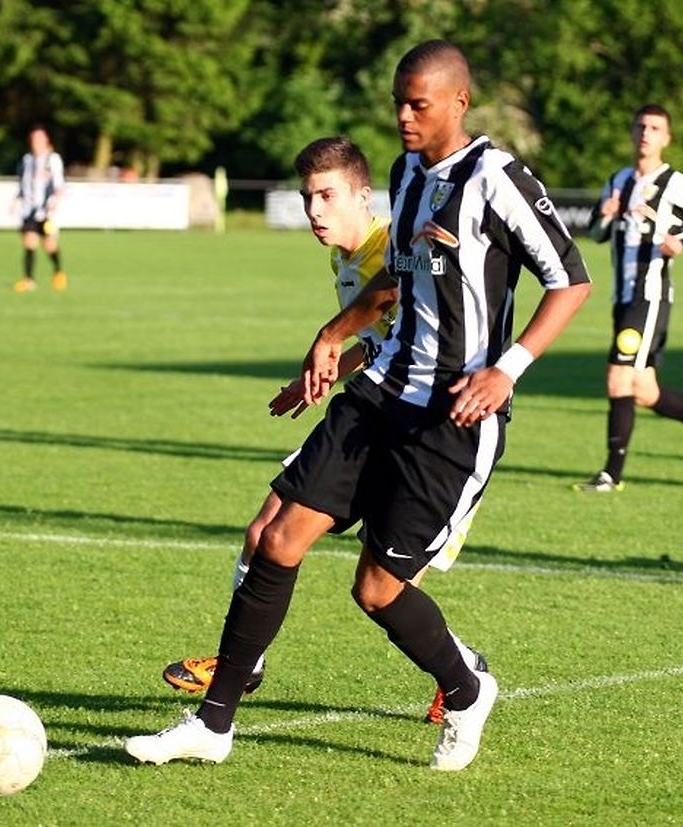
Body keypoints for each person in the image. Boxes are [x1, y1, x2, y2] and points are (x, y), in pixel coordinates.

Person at [125, 39, 591, 772]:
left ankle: (467, 689)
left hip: (452, 416)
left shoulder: (497, 179)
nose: (404, 117)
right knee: (277, 538)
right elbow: (403, 273)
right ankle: (214, 725)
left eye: (418, 104)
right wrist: (333, 335)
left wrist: (507, 369)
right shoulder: (407, 173)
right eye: (398, 103)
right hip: (379, 394)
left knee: (376, 590)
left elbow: (570, 280)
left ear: (459, 101)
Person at [160, 136, 487, 727]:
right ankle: (243, 665)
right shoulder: (343, 258)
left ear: (364, 197)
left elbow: (410, 289)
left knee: (385, 589)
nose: (314, 211)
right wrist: (323, 368)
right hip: (369, 416)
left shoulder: (393, 248)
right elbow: (382, 341)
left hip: (432, 434)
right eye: (307, 197)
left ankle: (463, 670)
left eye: (328, 196)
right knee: (265, 532)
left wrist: (330, 338)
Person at [574, 104, 683, 493]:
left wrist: (680, 243)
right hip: (622, 298)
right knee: (644, 391)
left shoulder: (676, 183)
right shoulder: (618, 180)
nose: (646, 133)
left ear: (667, 138)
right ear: (632, 132)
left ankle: (611, 475)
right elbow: (596, 233)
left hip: (651, 297)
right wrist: (604, 215)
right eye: (641, 126)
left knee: (617, 377)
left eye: (655, 128)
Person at [13, 126, 67, 293]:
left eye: (39, 139)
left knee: (49, 244)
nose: (36, 142)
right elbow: (23, 185)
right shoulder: (27, 160)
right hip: (28, 210)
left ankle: (58, 272)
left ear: (46, 141)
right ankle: (29, 280)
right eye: (34, 139)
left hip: (46, 211)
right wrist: (16, 201)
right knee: (29, 242)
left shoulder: (53, 159)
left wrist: (55, 203)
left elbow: (59, 185)